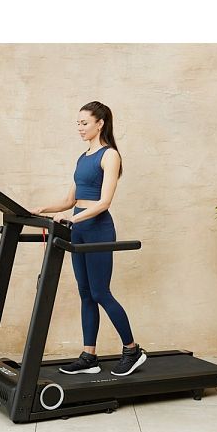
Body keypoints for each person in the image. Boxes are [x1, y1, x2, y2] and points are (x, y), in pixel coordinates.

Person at [32, 101, 146, 377]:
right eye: (78, 123)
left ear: (100, 123)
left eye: (84, 123)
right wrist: (40, 209)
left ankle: (132, 350)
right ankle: (89, 356)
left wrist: (72, 219)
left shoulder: (110, 155)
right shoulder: (83, 158)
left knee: (100, 292)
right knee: (85, 293)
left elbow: (104, 202)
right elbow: (70, 201)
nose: (80, 128)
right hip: (79, 229)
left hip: (97, 228)